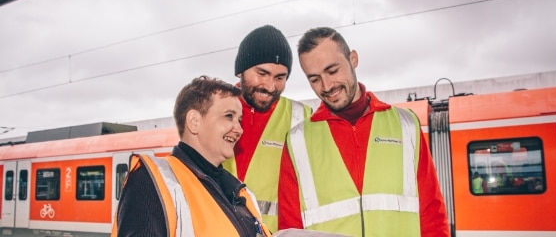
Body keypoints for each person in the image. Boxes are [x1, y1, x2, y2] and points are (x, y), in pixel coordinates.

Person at [278, 27, 450, 236]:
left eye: (333, 71)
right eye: (314, 79)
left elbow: (431, 213)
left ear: (353, 59)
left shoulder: (406, 124)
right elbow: (290, 227)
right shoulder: (298, 140)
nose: (327, 85)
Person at [112, 76, 271, 237]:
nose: (239, 129)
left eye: (240, 120)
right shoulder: (150, 182)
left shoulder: (239, 192)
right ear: (194, 122)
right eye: (229, 116)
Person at [222, 25, 313, 232]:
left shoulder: (304, 117)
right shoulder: (210, 111)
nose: (270, 86)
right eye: (262, 73)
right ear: (240, 71)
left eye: (280, 77)